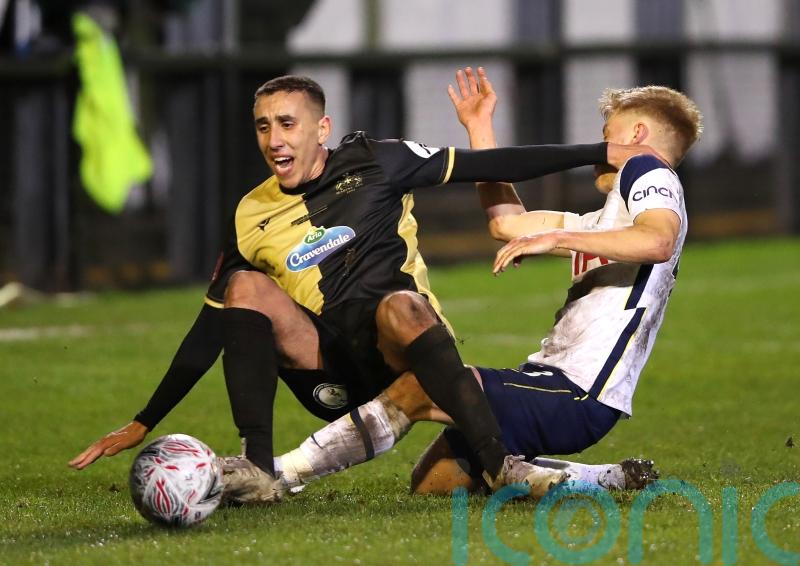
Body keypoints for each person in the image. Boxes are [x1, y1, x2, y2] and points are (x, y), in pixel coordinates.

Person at [69, 72, 649, 503]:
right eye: (264, 126)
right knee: (243, 285)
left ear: (321, 128)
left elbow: (491, 163)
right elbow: (211, 323)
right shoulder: (250, 211)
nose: (275, 139)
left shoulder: (379, 161)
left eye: (288, 124)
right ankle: (258, 467)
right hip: (330, 371)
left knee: (401, 319)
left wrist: (600, 152)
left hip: (410, 351)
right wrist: (146, 418)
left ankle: (503, 467)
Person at [265, 67, 701, 496]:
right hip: (544, 380)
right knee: (435, 483)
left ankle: (280, 473)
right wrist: (479, 126)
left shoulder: (647, 169)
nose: (601, 150)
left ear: (638, 133)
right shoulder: (604, 221)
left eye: (609, 133)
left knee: (420, 383)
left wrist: (556, 236)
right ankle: (602, 479)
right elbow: (507, 225)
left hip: (576, 394)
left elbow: (658, 240)